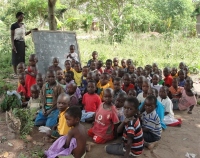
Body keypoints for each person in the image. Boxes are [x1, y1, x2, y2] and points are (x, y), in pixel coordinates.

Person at [11, 11, 37, 77]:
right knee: (15, 58)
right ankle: (15, 73)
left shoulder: (23, 25)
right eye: (20, 16)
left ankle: (21, 72)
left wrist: (32, 30)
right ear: (17, 17)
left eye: (22, 17)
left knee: (22, 58)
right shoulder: (13, 25)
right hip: (16, 42)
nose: (22, 18)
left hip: (22, 43)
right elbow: (12, 35)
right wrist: (13, 45)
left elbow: (25, 34)